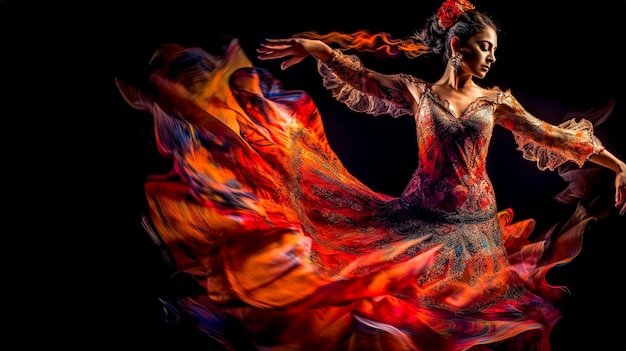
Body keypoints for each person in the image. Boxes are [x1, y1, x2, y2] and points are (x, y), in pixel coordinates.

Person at [116, 1, 625, 350]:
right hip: (419, 219)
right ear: (456, 47)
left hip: (475, 233)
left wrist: (613, 162)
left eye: (493, 49)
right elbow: (364, 78)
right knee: (389, 317)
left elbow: (550, 136)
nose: (492, 57)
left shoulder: (496, 101)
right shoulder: (417, 92)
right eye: (485, 46)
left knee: (465, 327)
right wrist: (320, 50)